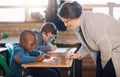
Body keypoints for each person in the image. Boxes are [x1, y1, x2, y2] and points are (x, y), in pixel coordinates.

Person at [57, 1, 120, 77]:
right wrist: (78, 54)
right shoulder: (78, 26)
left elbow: (106, 48)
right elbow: (89, 43)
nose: (65, 25)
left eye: (66, 21)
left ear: (74, 16)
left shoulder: (92, 23)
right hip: (105, 50)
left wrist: (103, 67)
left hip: (114, 50)